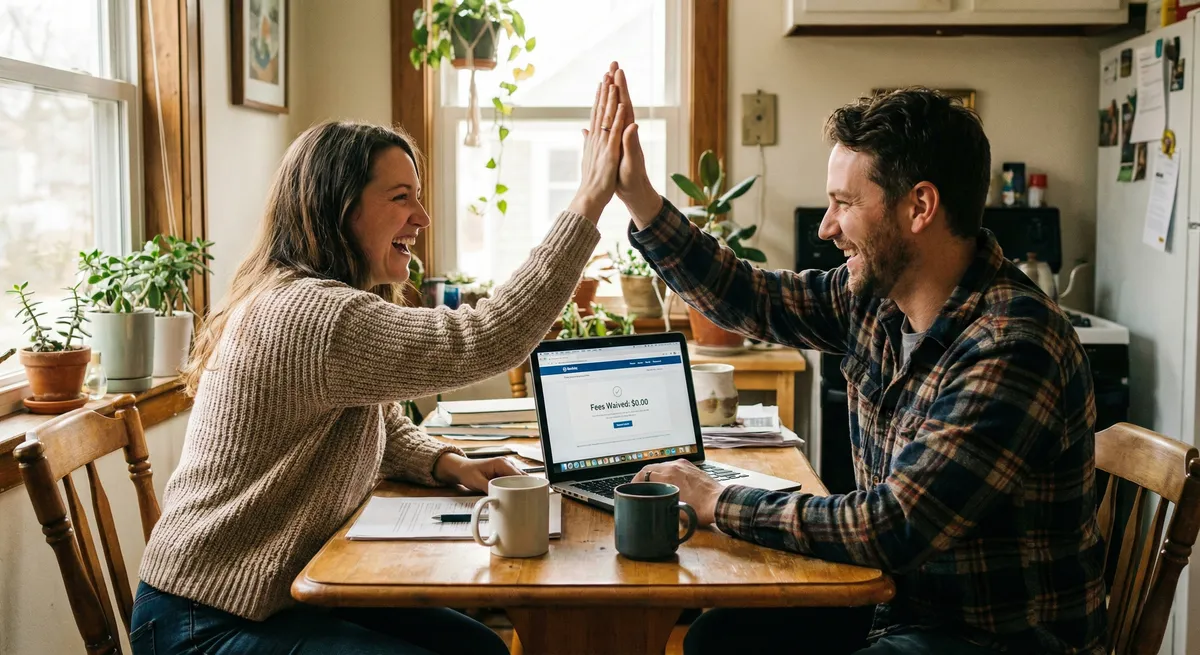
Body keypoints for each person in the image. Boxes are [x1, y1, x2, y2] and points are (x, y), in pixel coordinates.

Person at [129, 66, 634, 655]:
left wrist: (448, 462)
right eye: (401, 199)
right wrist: (589, 199)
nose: (421, 218)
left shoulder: (317, 303)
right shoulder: (312, 317)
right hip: (203, 620)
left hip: (273, 599)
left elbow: (378, 421)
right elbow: (489, 335)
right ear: (340, 210)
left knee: (482, 650)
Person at [612, 73, 1106, 655]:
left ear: (920, 206)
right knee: (719, 638)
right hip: (900, 604)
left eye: (844, 203)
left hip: (993, 637)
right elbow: (754, 297)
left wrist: (715, 499)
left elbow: (892, 526)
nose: (825, 227)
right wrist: (639, 197)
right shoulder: (877, 300)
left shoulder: (1012, 344)